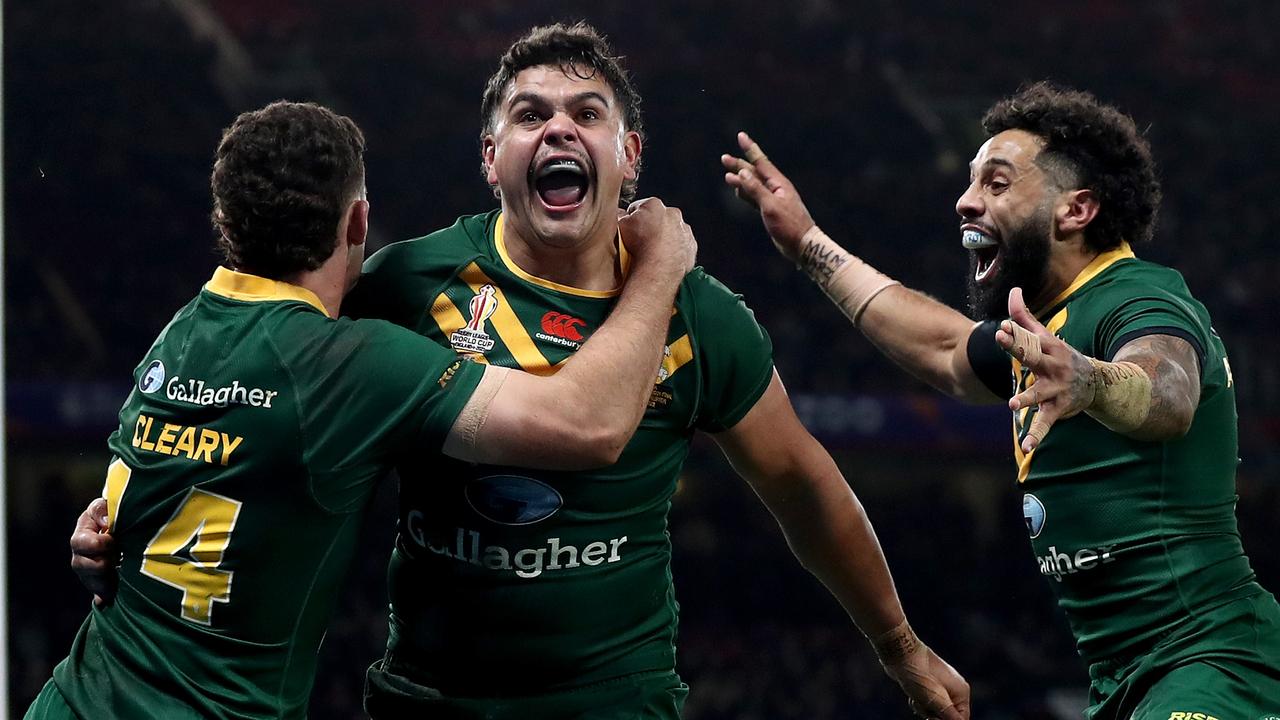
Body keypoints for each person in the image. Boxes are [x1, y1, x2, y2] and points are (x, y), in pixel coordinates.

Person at [343, 22, 967, 720]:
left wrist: (901, 645)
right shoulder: (405, 284)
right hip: (430, 696)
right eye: (530, 115)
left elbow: (801, 484)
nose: (558, 130)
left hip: (615, 701)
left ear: (629, 155)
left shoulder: (702, 317)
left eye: (586, 113)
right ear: (491, 158)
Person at [29, 99, 698, 720]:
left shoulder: (176, 336)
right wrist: (662, 267)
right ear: (357, 222)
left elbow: (117, 521)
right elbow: (591, 425)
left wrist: (97, 536)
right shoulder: (348, 363)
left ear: (224, 219)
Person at [723, 82, 1280, 718]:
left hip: (1212, 659)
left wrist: (1090, 381)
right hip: (1125, 678)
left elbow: (1169, 390)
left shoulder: (1137, 295)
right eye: (969, 182)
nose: (965, 201)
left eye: (996, 182)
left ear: (1076, 210)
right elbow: (943, 351)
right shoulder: (1046, 329)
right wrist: (808, 245)